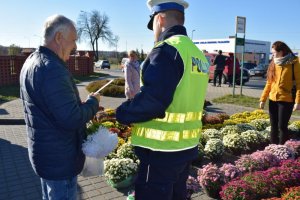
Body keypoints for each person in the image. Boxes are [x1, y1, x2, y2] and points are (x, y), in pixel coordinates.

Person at [116, 0, 209, 199]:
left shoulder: (166, 50)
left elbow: (153, 100)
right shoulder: (197, 54)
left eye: (153, 26)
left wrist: (122, 113)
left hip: (160, 150)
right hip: (185, 147)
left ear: (159, 18)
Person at [19, 15, 100, 199]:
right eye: (73, 41)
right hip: (59, 160)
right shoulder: (52, 69)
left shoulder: (31, 61)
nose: (74, 47)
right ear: (58, 38)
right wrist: (92, 103)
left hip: (46, 156)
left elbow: (52, 107)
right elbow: (71, 118)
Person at [259, 41, 300, 145]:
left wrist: (297, 102)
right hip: (273, 99)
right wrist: (263, 99)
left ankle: (283, 149)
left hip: (286, 99)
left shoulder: (295, 62)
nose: (273, 55)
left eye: (274, 53)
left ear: (282, 51)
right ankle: (273, 148)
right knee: (273, 125)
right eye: (272, 53)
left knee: (282, 126)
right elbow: (269, 83)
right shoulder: (274, 62)